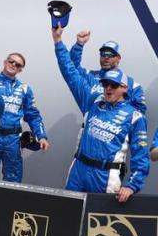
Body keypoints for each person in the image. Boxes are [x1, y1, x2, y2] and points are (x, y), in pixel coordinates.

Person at [53, 27, 149, 201]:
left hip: (106, 176)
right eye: (105, 84)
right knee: (68, 214)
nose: (108, 88)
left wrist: (131, 186)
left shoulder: (134, 116)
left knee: (98, 225)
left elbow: (140, 156)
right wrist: (58, 41)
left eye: (113, 85)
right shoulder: (92, 100)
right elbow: (69, 71)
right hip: (79, 169)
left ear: (124, 88)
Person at [0, 52, 49, 182]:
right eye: (11, 61)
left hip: (13, 140)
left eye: (18, 64)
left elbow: (33, 115)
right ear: (5, 62)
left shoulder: (24, 89)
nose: (13, 65)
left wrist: (41, 136)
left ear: (20, 69)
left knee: (13, 182)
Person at [69, 32, 145, 110]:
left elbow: (139, 112)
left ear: (118, 58)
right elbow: (70, 67)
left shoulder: (132, 84)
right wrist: (79, 45)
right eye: (103, 54)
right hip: (91, 120)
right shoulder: (89, 76)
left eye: (110, 55)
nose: (106, 58)